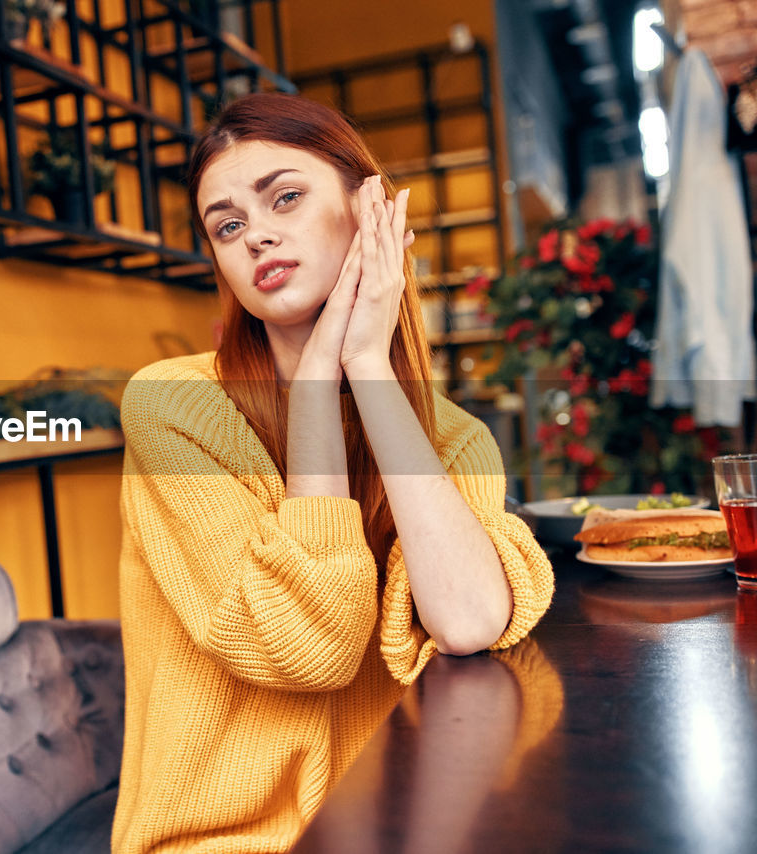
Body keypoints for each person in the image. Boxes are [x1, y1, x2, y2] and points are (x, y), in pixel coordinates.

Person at [112, 92, 555, 853]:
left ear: (368, 208)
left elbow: (471, 620)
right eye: (228, 225)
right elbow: (303, 647)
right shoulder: (171, 405)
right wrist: (317, 382)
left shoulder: (454, 441)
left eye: (284, 197)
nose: (256, 237)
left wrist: (362, 367)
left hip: (387, 827)